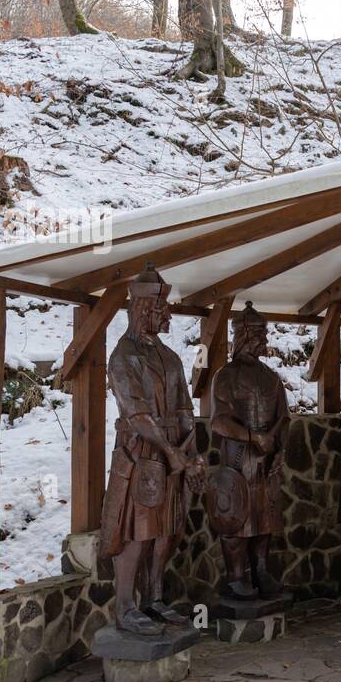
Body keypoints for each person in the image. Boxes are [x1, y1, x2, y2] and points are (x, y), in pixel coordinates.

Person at [99, 263, 206, 636]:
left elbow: (184, 410)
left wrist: (187, 452)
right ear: (144, 310)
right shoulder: (123, 356)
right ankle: (126, 606)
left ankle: (154, 598)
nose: (168, 315)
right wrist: (169, 450)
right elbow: (137, 413)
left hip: (172, 460)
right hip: (141, 459)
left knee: (167, 532)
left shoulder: (171, 357)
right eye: (162, 310)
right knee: (138, 533)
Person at [209, 302, 289, 600]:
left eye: (264, 334)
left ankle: (261, 570)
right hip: (238, 461)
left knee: (264, 518)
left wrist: (280, 450)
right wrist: (253, 437)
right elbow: (219, 422)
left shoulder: (271, 377)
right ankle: (234, 577)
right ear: (242, 335)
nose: (263, 340)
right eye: (258, 334)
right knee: (237, 519)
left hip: (266, 463)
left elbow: (284, 417)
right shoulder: (225, 376)